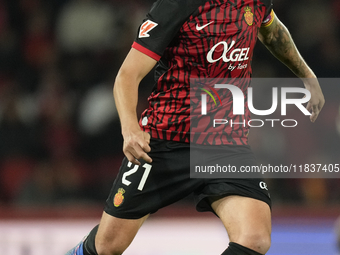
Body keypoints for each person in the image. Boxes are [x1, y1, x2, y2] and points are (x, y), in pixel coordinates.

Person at [66, 0, 325, 254]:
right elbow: (127, 75)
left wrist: (307, 75)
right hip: (164, 141)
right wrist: (130, 129)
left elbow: (273, 31)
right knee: (107, 246)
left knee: (255, 239)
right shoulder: (177, 4)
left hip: (226, 142)